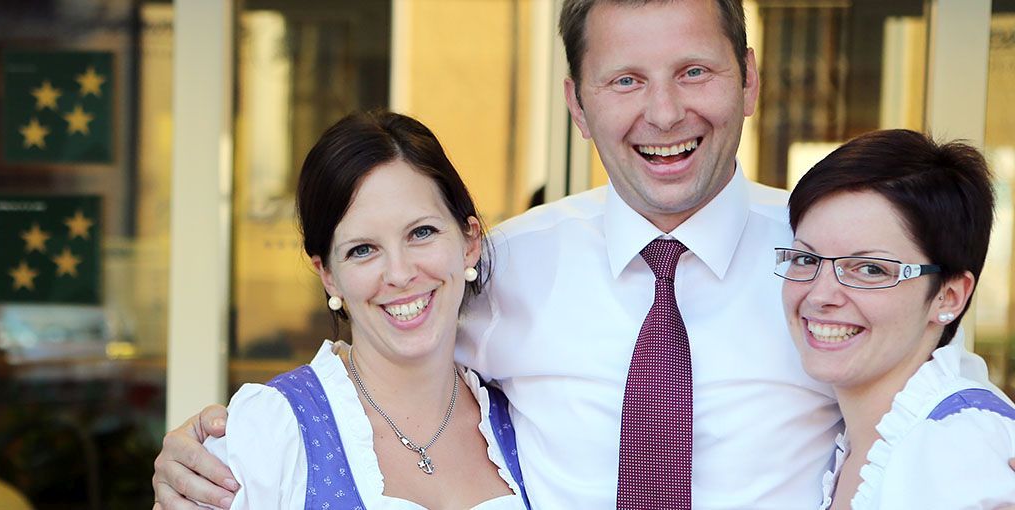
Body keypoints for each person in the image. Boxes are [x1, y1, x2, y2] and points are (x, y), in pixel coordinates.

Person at [150, 1, 994, 508]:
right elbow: (386, 342)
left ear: (749, 79)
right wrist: (228, 443)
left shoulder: (822, 272)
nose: (664, 113)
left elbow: (938, 396)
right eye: (625, 80)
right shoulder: (505, 267)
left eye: (694, 72)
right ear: (577, 106)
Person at [199, 110, 530, 509]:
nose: (400, 273)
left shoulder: (527, 419)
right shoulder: (271, 432)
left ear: (469, 242)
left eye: (421, 232)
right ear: (328, 276)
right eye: (363, 250)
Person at [776, 129, 1015, 509]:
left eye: (870, 269)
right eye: (806, 259)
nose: (820, 296)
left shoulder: (959, 450)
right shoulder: (867, 442)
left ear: (949, 296)